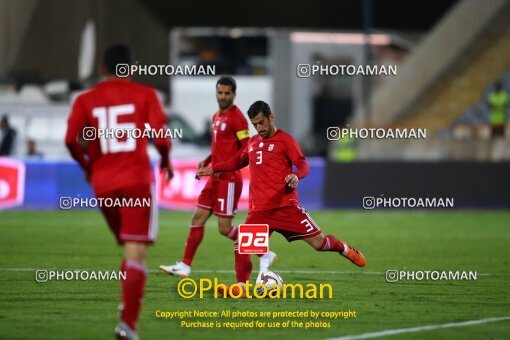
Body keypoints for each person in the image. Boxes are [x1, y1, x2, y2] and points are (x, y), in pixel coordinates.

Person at [197, 100, 366, 296]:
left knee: (320, 244)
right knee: (241, 245)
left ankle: (345, 249)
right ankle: (241, 287)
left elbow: (303, 165)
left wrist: (296, 175)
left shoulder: (285, 140)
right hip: (260, 211)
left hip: (285, 207)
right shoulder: (252, 143)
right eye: (254, 124)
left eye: (261, 122)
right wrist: (213, 168)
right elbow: (238, 161)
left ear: (271, 118)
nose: (258, 128)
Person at [65, 44, 173, 339]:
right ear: (132, 68)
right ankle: (128, 324)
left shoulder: (86, 100)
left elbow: (71, 141)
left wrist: (88, 166)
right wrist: (165, 161)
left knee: (128, 245)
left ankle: (126, 306)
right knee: (135, 249)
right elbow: (161, 138)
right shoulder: (146, 95)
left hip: (104, 184)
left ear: (102, 69)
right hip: (136, 180)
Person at [160, 77, 277, 282]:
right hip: (213, 178)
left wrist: (226, 166)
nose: (223, 96)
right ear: (216, 92)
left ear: (234, 95)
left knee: (224, 228)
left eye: (227, 93)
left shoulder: (237, 118)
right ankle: (185, 266)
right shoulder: (216, 116)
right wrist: (206, 161)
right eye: (220, 92)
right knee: (197, 218)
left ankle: (263, 251)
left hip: (229, 180)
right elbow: (218, 148)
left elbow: (246, 147)